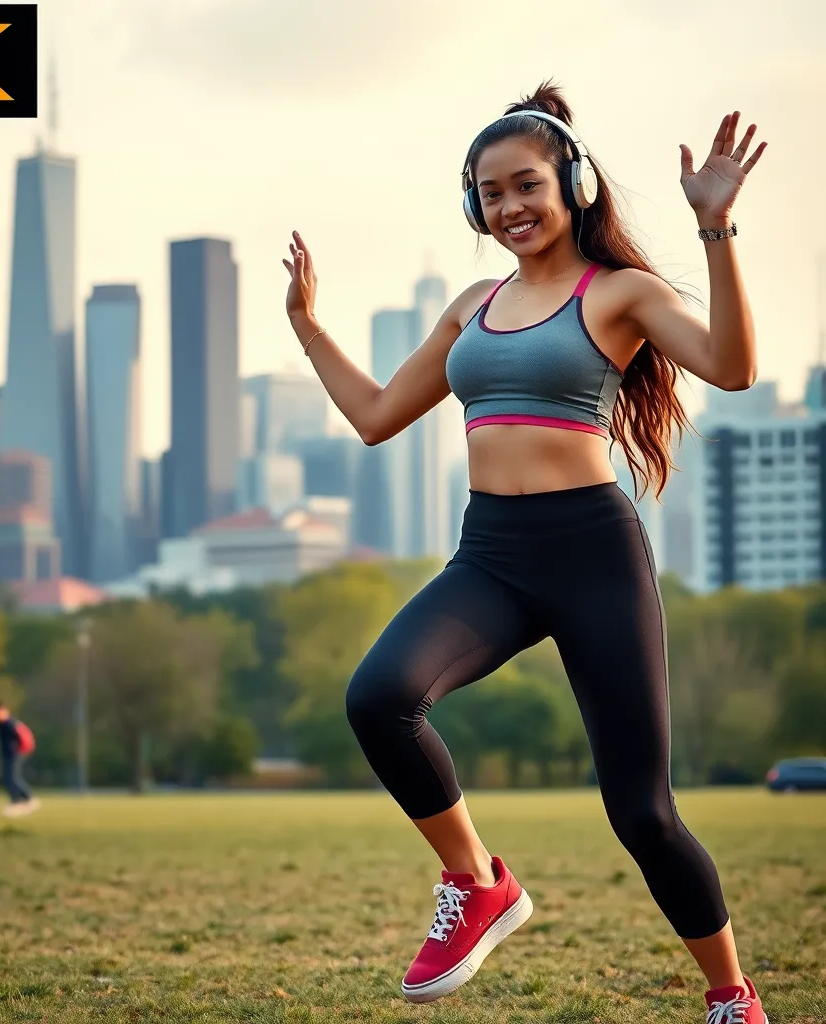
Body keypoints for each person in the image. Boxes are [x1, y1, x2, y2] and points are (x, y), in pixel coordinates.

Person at [281, 81, 768, 1022]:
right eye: (489, 193)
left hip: (593, 554)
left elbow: (734, 368)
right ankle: (480, 884)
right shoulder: (474, 305)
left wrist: (715, 228)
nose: (509, 208)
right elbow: (380, 417)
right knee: (378, 698)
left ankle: (730, 995)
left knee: (643, 814)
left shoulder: (620, 292)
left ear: (573, 184)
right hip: (491, 558)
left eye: (526, 185)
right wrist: (309, 329)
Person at [0, 693, 39, 817]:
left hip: (14, 754)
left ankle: (23, 799)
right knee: (11, 778)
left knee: (12, 778)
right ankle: (21, 800)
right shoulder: (5, 723)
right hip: (9, 754)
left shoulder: (8, 722)